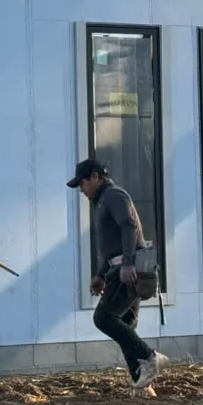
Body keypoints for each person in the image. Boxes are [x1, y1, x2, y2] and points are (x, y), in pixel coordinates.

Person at [69, 158, 167, 392]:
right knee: (125, 324)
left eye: (82, 183)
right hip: (123, 267)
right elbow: (112, 245)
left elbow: (128, 227)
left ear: (95, 176)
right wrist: (101, 275)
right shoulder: (103, 200)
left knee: (103, 318)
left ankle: (150, 357)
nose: (81, 190)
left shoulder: (113, 196)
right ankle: (142, 383)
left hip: (128, 270)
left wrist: (127, 264)